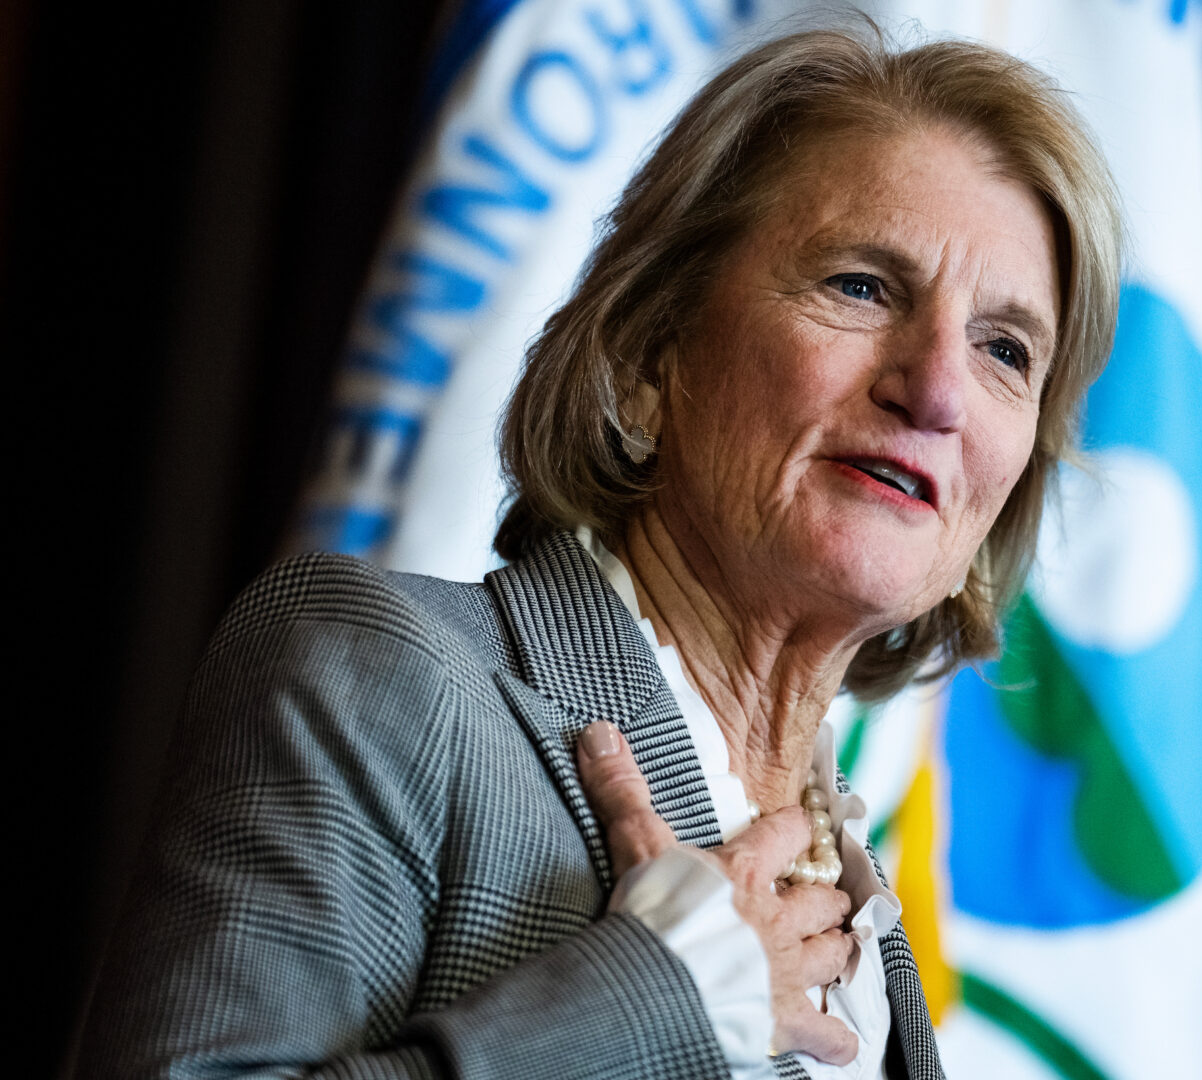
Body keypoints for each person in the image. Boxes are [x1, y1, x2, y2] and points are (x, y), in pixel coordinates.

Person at [74, 24, 1122, 1080]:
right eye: (861, 285)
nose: (936, 390)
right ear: (648, 354)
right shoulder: (382, 679)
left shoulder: (871, 920)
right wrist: (650, 1002)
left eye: (1004, 349)